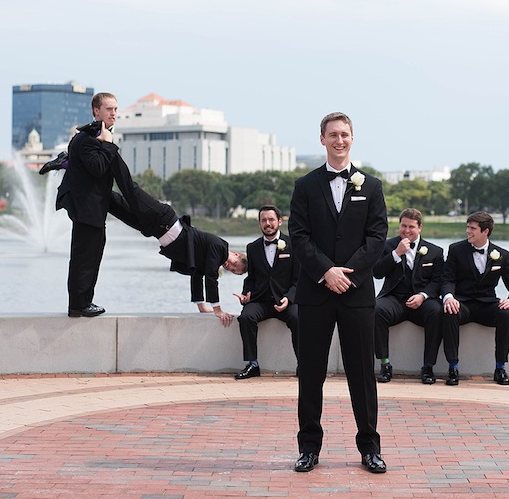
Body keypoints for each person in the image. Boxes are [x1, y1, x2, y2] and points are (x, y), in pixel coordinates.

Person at [289, 112, 388, 474]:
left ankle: (370, 448)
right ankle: (309, 448)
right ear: (322, 139)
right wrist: (326, 272)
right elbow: (298, 236)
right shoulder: (305, 185)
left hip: (357, 294)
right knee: (311, 373)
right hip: (316, 292)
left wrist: (349, 274)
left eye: (345, 134)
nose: (339, 140)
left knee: (362, 373)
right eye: (333, 134)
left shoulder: (372, 186)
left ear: (352, 138)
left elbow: (377, 238)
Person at [105, 156, 247, 327]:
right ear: (237, 255)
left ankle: (84, 175)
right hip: (161, 217)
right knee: (129, 188)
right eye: (234, 264)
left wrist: (202, 306)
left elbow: (197, 276)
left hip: (154, 229)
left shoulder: (213, 259)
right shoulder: (220, 247)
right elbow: (211, 277)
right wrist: (217, 309)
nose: (229, 267)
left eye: (233, 270)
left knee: (112, 204)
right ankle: (109, 153)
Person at [440, 211, 509, 386]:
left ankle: (500, 367)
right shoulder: (456, 250)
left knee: (506, 315)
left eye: (472, 228)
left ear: (485, 232)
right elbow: (447, 279)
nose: (467, 231)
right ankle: (453, 367)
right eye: (467, 227)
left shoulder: (501, 255)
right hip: (462, 303)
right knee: (448, 312)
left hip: (487, 305)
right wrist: (448, 297)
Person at [55, 92, 119, 317]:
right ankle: (78, 305)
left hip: (93, 209)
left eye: (115, 109)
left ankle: (83, 303)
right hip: (86, 209)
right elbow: (98, 168)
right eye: (109, 109)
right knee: (84, 259)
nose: (113, 113)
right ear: (96, 111)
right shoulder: (86, 139)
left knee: (92, 257)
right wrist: (108, 145)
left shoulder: (93, 136)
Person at [373, 208, 445, 384]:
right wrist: (396, 254)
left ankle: (428, 366)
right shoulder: (388, 246)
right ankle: (385, 364)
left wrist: (423, 295)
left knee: (437, 312)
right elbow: (377, 272)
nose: (406, 230)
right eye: (403, 226)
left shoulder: (435, 251)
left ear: (419, 227)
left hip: (422, 301)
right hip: (394, 298)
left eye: (411, 227)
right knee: (376, 309)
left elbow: (438, 281)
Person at [232, 205, 300, 379]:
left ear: (279, 221)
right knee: (246, 317)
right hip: (261, 300)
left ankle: (303, 365)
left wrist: (288, 298)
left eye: (271, 219)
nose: (267, 223)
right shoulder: (252, 247)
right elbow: (251, 278)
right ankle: (252, 364)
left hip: (286, 301)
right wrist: (246, 294)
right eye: (263, 220)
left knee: (299, 318)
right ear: (259, 223)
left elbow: (298, 280)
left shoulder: (293, 245)